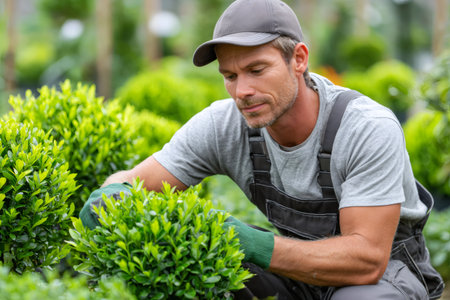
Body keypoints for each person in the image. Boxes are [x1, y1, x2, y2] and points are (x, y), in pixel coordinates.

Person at [80, 0, 444, 299]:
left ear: (298, 59)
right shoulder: (223, 124)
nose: (242, 91)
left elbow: (367, 260)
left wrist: (248, 240)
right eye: (230, 76)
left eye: (257, 69)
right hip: (297, 275)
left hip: (382, 279)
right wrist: (110, 195)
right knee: (198, 274)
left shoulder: (366, 128)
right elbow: (134, 182)